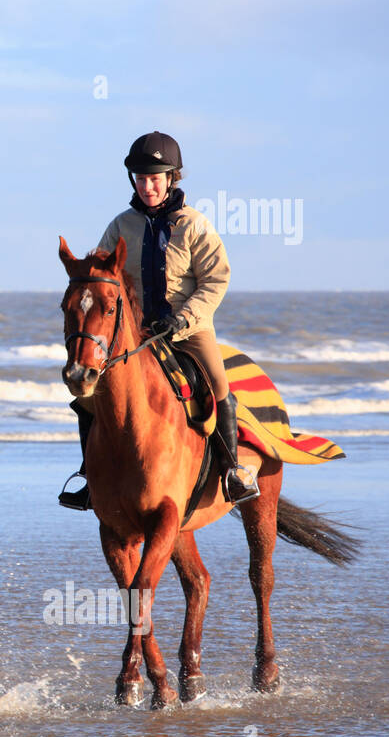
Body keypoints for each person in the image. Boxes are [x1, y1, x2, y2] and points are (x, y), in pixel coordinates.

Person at [58, 131, 259, 510]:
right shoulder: (121, 226)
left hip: (188, 331)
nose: (148, 186)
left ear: (171, 178)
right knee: (88, 397)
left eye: (155, 178)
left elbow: (216, 279)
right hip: (136, 337)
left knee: (218, 385)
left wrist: (182, 319)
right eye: (141, 178)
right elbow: (102, 277)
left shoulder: (194, 225)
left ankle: (232, 472)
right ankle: (90, 476)